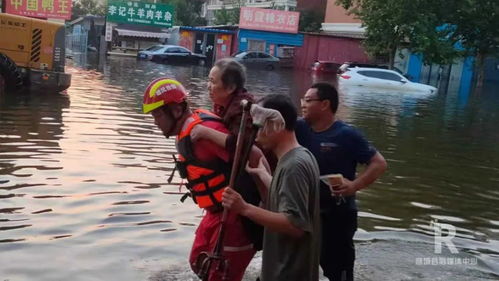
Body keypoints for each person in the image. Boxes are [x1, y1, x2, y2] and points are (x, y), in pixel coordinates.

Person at [143, 78, 255, 281]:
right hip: (215, 213)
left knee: (220, 274)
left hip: (235, 216)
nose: (155, 121)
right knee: (198, 260)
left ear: (176, 110)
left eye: (157, 114)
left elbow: (251, 154)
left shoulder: (202, 133)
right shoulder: (188, 129)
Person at [222, 94, 321, 281]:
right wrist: (265, 176)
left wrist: (244, 208)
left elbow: (295, 224)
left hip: (287, 274)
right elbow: (288, 198)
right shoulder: (302, 156)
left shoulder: (294, 166)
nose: (256, 134)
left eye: (260, 126)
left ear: (278, 124)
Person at [296, 82, 388, 281]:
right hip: (307, 212)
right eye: (303, 100)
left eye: (308, 100)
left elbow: (379, 164)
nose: (303, 104)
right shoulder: (300, 128)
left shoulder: (346, 135)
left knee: (338, 269)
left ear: (325, 104)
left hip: (338, 214)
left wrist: (354, 186)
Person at [193, 58, 265, 250]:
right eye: (208, 80)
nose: (208, 86)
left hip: (252, 182)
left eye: (213, 82)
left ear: (231, 87)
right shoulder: (225, 106)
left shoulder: (244, 110)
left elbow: (240, 145)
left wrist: (205, 132)